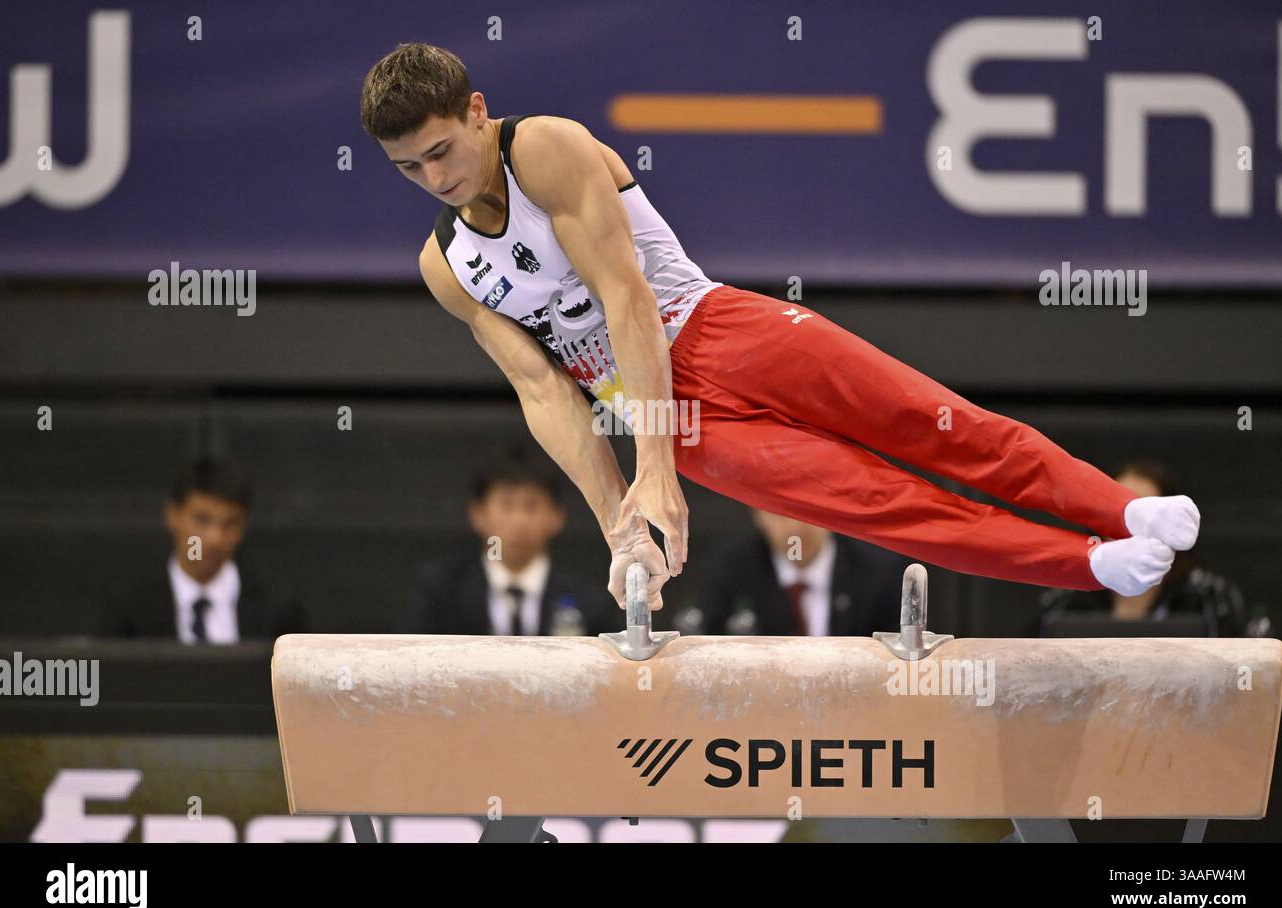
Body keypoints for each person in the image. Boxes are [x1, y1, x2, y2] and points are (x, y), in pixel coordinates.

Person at [358, 44, 1200, 612]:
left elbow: (630, 304)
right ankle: (1084, 563)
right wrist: (624, 523)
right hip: (683, 422)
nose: (433, 177)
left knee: (936, 424)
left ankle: (1120, 511)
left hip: (722, 330)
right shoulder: (447, 266)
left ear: (476, 111)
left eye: (439, 150)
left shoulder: (543, 148)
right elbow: (543, 388)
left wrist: (654, 469)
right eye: (406, 168)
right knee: (875, 503)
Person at [402, 447, 619, 636]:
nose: (519, 521)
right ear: (478, 514)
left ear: (557, 516)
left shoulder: (590, 601)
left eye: (531, 506)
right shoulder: (441, 594)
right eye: (506, 505)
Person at [100, 457, 306, 642]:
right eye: (202, 520)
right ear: (172, 516)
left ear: (243, 527)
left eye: (230, 524)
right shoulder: (129, 606)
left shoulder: (278, 609)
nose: (215, 538)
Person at [1039, 461, 1249, 635]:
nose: (1129, 529)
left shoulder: (1207, 597)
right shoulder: (1066, 600)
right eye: (1119, 515)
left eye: (1143, 516)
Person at [692, 508, 908, 637]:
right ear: (758, 515)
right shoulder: (731, 569)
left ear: (832, 510)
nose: (796, 529)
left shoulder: (879, 571)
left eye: (807, 512)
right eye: (780, 514)